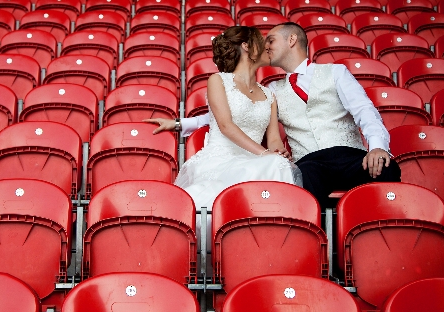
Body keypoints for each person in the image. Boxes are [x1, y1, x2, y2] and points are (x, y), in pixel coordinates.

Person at [146, 22, 400, 207]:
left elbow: (364, 110)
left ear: (291, 40)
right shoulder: (274, 89)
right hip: (311, 163)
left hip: (348, 154)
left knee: (388, 167)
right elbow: (225, 117)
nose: (266, 46)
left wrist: (377, 147)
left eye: (271, 41)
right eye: (263, 42)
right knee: (303, 175)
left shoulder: (334, 73)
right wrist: (180, 123)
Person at [168, 26, 302, 211]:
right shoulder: (218, 80)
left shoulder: (269, 94)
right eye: (262, 42)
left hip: (257, 160)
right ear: (247, 46)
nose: (268, 48)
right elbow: (225, 125)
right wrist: (264, 154)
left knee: (279, 164)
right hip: (221, 159)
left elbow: (273, 138)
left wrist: (279, 152)